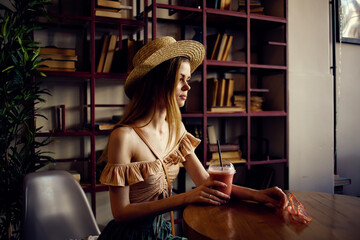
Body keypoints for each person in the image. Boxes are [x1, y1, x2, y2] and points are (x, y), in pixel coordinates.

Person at [97, 36, 288, 240]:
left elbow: (206, 181)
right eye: (180, 79)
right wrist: (186, 197)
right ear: (159, 80)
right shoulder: (124, 137)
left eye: (187, 80)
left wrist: (258, 195)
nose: (187, 87)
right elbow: (121, 213)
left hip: (162, 233)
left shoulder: (176, 129)